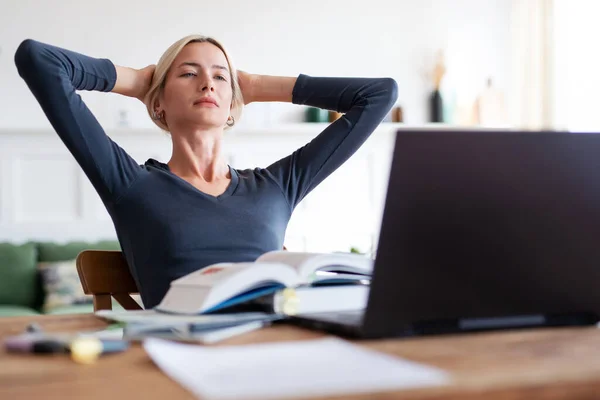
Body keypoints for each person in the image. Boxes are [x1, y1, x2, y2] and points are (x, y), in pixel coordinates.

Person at [14, 35, 398, 309]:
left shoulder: (277, 186)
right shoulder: (130, 185)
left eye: (220, 76)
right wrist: (137, 82)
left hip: (277, 349)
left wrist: (256, 85)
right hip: (180, 360)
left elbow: (380, 94)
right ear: (159, 104)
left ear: (233, 103)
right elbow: (39, 59)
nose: (207, 83)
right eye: (187, 74)